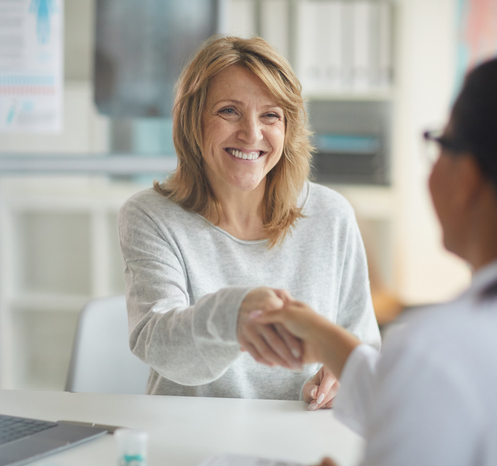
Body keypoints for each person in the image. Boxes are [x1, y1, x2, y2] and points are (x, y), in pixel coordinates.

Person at [254, 51, 497, 466]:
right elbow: (431, 400)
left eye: (441, 142)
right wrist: (327, 339)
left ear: (468, 178)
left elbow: (436, 387)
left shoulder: (440, 351)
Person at [117, 35, 381, 404]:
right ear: (193, 121)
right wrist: (233, 317)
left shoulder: (331, 215)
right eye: (229, 111)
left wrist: (341, 374)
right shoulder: (150, 216)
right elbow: (160, 346)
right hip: (192, 437)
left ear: (288, 129)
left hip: (301, 437)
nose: (252, 134)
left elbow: (362, 346)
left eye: (270, 115)